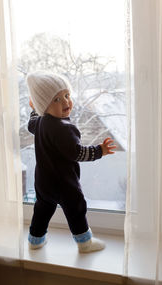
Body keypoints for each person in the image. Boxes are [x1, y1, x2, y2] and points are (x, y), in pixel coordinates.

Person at [26, 71, 116, 253]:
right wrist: (100, 150)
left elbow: (31, 123)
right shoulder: (64, 128)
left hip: (43, 182)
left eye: (67, 95)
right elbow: (77, 153)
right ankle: (84, 242)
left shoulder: (41, 122)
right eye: (57, 100)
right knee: (76, 208)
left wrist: (34, 109)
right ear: (45, 105)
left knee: (42, 209)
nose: (66, 102)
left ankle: (35, 240)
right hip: (63, 183)